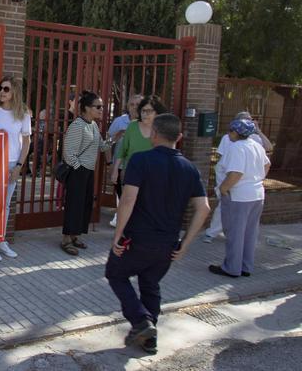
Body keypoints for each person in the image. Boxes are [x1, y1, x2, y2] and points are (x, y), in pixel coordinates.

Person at [107, 114, 210, 355]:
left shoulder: (141, 161)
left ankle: (142, 321)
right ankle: (149, 337)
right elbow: (203, 208)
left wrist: (117, 235)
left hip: (137, 239)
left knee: (115, 273)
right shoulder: (190, 168)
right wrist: (185, 244)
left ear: (153, 133)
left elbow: (128, 199)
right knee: (150, 284)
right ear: (180, 137)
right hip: (167, 244)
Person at [209, 118, 270, 278]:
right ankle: (246, 266)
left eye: (230, 130)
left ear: (236, 132)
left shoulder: (237, 148)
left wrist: (223, 189)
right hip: (257, 193)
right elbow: (267, 165)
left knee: (235, 232)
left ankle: (232, 267)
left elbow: (236, 173)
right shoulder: (257, 145)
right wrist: (257, 178)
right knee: (250, 232)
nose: (228, 133)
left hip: (238, 195)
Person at [203, 111, 273, 243]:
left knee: (236, 210)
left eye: (251, 120)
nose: (250, 122)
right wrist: (224, 186)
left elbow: (268, 148)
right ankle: (213, 232)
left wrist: (258, 130)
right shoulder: (228, 138)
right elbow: (224, 161)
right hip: (229, 175)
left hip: (243, 181)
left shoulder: (255, 140)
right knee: (224, 205)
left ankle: (233, 235)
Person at [60, 91, 114, 255]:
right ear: (86, 108)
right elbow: (68, 153)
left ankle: (75, 236)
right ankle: (66, 239)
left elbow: (101, 147)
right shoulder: (77, 125)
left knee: (84, 205)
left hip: (88, 171)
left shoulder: (93, 125)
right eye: (98, 106)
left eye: (102, 106)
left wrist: (114, 139)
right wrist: (79, 168)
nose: (101, 109)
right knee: (74, 205)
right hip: (79, 172)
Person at [0, 75, 30, 262]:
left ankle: (1, 239)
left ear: (14, 93)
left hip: (12, 163)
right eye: (0, 88)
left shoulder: (23, 114)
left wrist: (19, 165)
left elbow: (26, 142)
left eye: (6, 89)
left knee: (6, 204)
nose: (1, 92)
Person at [108, 95, 166, 227]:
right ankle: (126, 231)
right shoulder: (133, 127)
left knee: (147, 206)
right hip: (131, 172)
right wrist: (115, 170)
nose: (145, 114)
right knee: (128, 204)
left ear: (157, 112)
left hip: (153, 174)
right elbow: (122, 150)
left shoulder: (161, 130)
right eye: (143, 110)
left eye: (149, 111)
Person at [106, 94, 142, 227]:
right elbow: (107, 143)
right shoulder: (119, 121)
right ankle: (123, 226)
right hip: (120, 166)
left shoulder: (148, 122)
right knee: (122, 198)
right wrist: (110, 163)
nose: (135, 108)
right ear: (128, 106)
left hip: (139, 167)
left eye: (138, 105)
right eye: (132, 105)